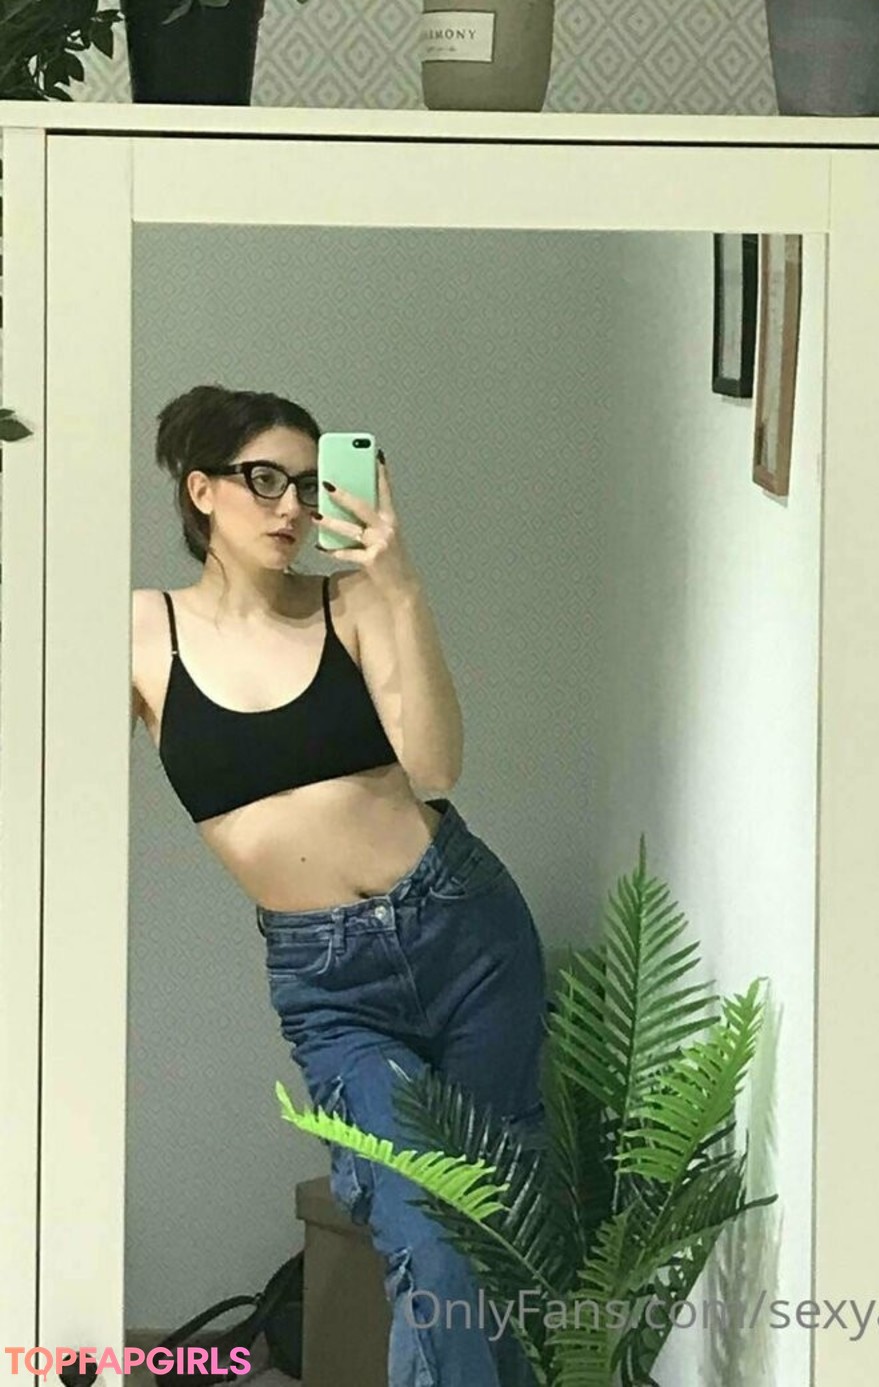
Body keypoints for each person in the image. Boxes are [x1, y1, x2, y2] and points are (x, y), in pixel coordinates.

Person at [130, 384, 548, 1387]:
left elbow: (437, 765)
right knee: (431, 1237)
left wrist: (398, 583)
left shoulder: (351, 603)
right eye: (263, 480)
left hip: (466, 933)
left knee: (498, 1240)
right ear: (200, 491)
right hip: (333, 986)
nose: (291, 507)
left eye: (310, 485)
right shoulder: (145, 631)